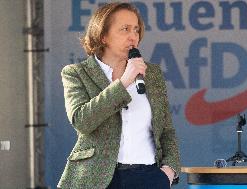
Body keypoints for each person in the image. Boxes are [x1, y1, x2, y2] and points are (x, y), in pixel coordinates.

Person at [57, 2, 180, 189]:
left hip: (149, 177)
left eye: (136, 30)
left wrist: (169, 171)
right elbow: (82, 121)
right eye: (125, 29)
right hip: (97, 178)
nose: (133, 37)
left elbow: (167, 131)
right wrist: (123, 83)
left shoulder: (151, 73)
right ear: (103, 36)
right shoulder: (76, 73)